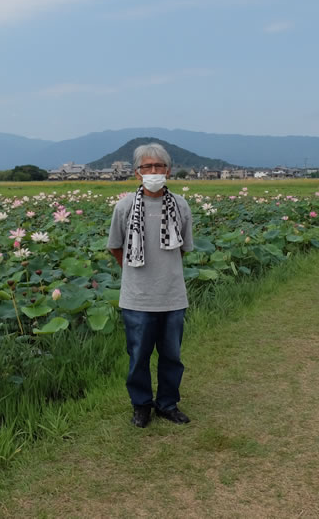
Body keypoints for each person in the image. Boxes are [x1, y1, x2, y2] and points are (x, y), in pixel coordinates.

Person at [107, 143, 194, 428]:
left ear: (168, 170)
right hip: (137, 298)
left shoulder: (180, 205)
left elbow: (183, 248)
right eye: (147, 167)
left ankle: (168, 404)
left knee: (172, 356)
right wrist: (136, 274)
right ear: (137, 173)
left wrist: (162, 270)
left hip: (172, 296)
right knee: (138, 357)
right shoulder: (125, 206)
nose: (153, 171)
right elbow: (116, 247)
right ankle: (141, 405)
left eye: (159, 166)